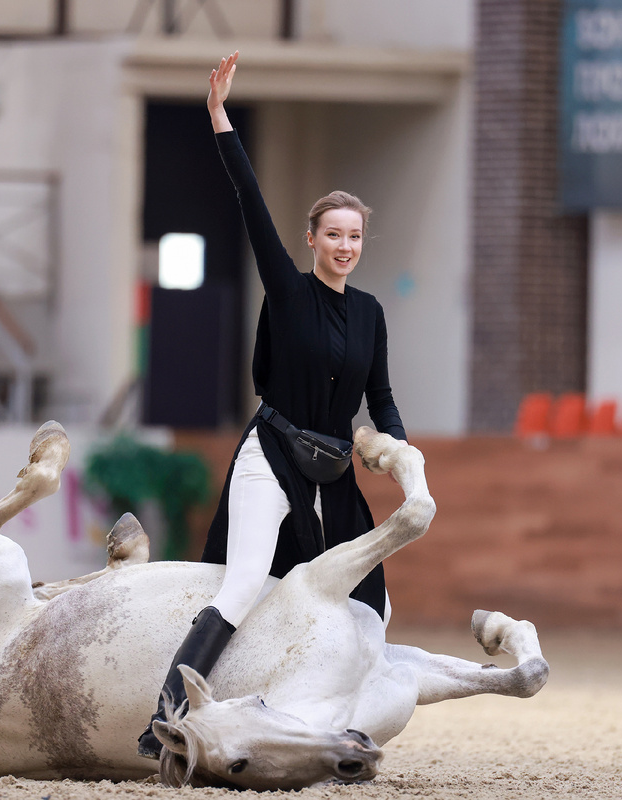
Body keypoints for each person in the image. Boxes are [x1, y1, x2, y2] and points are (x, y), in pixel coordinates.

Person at [137, 51, 408, 759]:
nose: (345, 246)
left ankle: (333, 715)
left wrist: (400, 450)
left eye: (354, 236)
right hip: (275, 454)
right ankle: (162, 719)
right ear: (312, 239)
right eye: (333, 235)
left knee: (375, 601)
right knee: (245, 584)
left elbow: (380, 398)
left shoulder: (372, 313)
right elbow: (250, 200)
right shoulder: (288, 292)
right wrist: (219, 116)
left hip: (335, 467)